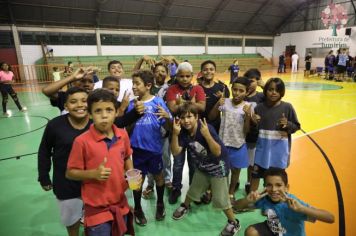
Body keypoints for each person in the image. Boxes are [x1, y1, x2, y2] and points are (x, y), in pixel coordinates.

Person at [66, 89, 138, 236]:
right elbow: (70, 173)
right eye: (98, 111)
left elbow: (126, 157)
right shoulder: (81, 142)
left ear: (116, 112)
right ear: (90, 114)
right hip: (97, 209)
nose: (104, 115)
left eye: (109, 110)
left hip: (120, 203)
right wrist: (93, 174)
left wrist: (131, 175)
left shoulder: (122, 135)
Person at [171, 103, 241, 236]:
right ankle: (185, 206)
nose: (186, 121)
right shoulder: (182, 132)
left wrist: (207, 135)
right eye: (183, 117)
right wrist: (175, 134)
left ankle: (234, 222)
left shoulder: (206, 128)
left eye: (190, 116)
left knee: (221, 200)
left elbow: (217, 152)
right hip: (202, 167)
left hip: (218, 167)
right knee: (193, 190)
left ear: (196, 117)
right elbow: (175, 152)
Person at [38, 87, 89, 236]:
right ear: (65, 106)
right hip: (66, 183)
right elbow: (44, 151)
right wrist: (44, 176)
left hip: (93, 182)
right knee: (71, 221)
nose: (80, 105)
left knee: (94, 221)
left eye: (84, 101)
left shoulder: (96, 123)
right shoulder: (55, 125)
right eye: (73, 102)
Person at [126, 70, 172, 226]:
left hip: (154, 150)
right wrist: (135, 114)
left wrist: (167, 118)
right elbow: (126, 128)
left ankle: (160, 203)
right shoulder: (132, 104)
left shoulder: (158, 102)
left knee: (159, 177)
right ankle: (137, 208)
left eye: (137, 83)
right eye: (133, 83)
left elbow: (168, 126)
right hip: (136, 151)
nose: (133, 87)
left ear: (148, 85)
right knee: (137, 181)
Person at [234, 168, 335, 236]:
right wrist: (246, 200)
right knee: (251, 232)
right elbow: (236, 207)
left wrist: (302, 209)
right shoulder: (264, 199)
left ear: (287, 188)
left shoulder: (294, 204)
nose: (273, 189)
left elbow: (330, 218)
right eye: (269, 185)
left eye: (278, 185)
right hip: (274, 229)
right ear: (264, 186)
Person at [165, 62, 206, 204]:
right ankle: (176, 188)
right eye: (181, 76)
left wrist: (181, 103)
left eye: (187, 76)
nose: (184, 79)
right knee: (177, 163)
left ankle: (194, 190)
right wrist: (191, 103)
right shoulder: (171, 89)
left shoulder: (198, 88)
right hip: (178, 131)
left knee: (194, 163)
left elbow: (202, 107)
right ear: (176, 76)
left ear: (192, 76)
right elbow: (172, 109)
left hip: (195, 132)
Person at [250, 78, 300, 192]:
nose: (274, 92)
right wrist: (253, 122)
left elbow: (297, 126)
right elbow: (255, 131)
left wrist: (288, 124)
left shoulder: (287, 107)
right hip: (262, 151)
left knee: (277, 179)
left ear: (282, 92)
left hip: (279, 152)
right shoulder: (259, 108)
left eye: (277, 90)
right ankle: (251, 199)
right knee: (256, 176)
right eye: (271, 89)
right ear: (265, 90)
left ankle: (279, 200)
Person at [209, 77, 251, 203]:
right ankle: (218, 190)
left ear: (246, 92)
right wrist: (217, 103)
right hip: (223, 143)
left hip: (238, 144)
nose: (237, 93)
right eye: (235, 89)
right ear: (231, 89)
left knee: (236, 170)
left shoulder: (248, 106)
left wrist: (248, 115)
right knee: (221, 170)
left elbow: (247, 130)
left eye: (241, 90)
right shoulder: (225, 102)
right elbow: (211, 117)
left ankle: (231, 192)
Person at [142, 63, 173, 199]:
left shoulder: (170, 88)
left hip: (165, 127)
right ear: (153, 73)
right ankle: (150, 183)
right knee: (150, 157)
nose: (160, 73)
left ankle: (167, 180)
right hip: (150, 129)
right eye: (157, 71)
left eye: (163, 71)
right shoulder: (148, 88)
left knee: (166, 156)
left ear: (167, 73)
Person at [243, 69, 265, 194]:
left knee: (251, 162)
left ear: (258, 81)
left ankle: (248, 181)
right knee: (238, 160)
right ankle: (236, 181)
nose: (250, 84)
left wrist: (264, 85)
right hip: (242, 133)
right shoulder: (241, 95)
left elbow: (276, 95)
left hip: (255, 135)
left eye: (252, 81)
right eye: (248, 81)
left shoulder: (262, 96)